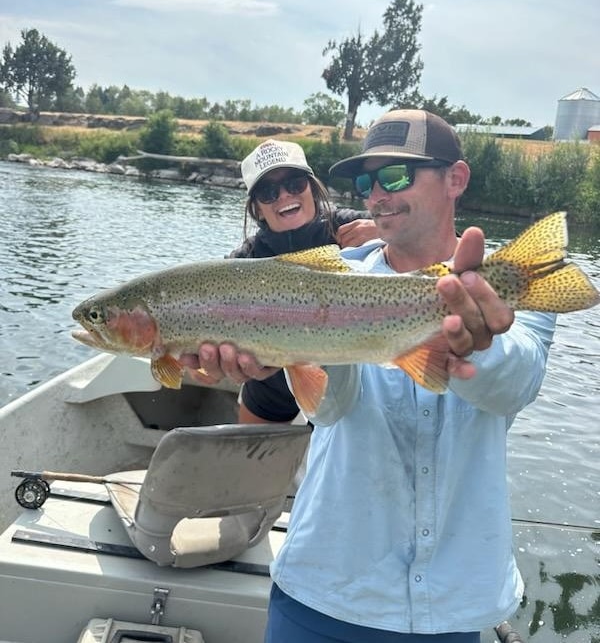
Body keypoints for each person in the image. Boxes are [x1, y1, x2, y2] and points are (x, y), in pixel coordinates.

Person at [184, 110, 556, 642]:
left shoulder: (507, 284)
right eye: (367, 181)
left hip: (452, 609)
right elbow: (328, 409)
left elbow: (515, 386)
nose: (378, 193)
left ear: (456, 179)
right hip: (322, 592)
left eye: (397, 176)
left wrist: (472, 343)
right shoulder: (335, 280)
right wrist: (287, 344)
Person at [199, 138, 377, 425]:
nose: (283, 195)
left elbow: (444, 248)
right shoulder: (243, 262)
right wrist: (207, 368)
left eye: (294, 184)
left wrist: (390, 234)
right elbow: (202, 370)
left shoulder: (354, 228)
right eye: (268, 192)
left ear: (312, 188)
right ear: (256, 208)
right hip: (269, 386)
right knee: (253, 463)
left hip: (347, 382)